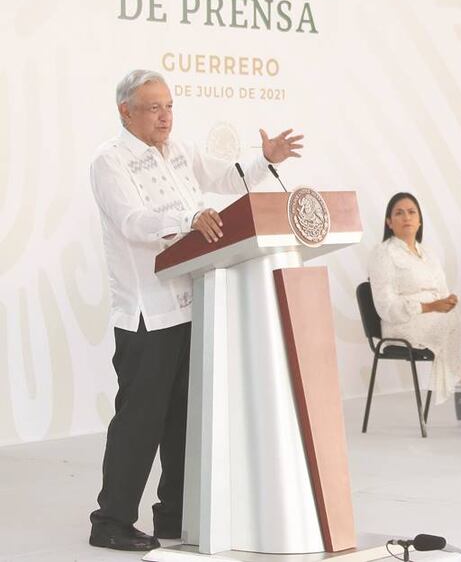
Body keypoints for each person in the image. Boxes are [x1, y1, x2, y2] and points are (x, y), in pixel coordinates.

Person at [89, 70, 304, 551]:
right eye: (152, 107)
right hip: (148, 313)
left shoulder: (180, 150)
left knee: (185, 419)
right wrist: (188, 220)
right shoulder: (109, 161)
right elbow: (132, 221)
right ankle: (111, 520)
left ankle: (174, 514)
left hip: (194, 303)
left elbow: (226, 177)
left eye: (168, 106)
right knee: (140, 419)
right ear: (125, 111)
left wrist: (263, 160)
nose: (164, 116)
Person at [368, 193, 461, 436]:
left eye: (412, 212)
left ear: (420, 220)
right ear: (389, 222)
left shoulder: (429, 254)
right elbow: (385, 307)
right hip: (405, 324)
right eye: (399, 213)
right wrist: (430, 307)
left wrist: (449, 302)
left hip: (437, 317)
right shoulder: (383, 253)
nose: (406, 217)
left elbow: (441, 293)